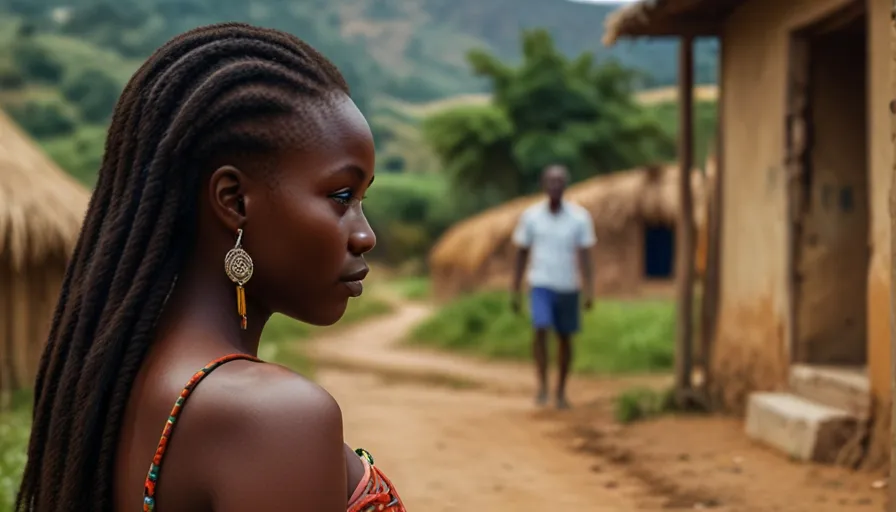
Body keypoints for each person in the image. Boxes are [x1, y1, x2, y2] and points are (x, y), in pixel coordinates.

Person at [15, 23, 405, 512]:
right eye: (341, 196)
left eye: (362, 200)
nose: (365, 234)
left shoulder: (113, 384)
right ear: (234, 201)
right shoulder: (273, 417)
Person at [511, 164, 596, 410]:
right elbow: (521, 253)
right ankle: (542, 386)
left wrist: (589, 288)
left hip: (569, 285)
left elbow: (586, 255)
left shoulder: (580, 218)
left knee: (564, 338)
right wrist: (515, 288)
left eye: (560, 182)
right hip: (540, 283)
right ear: (543, 185)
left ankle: (560, 391)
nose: (555, 186)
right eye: (551, 181)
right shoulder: (531, 217)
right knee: (541, 327)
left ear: (566, 185)